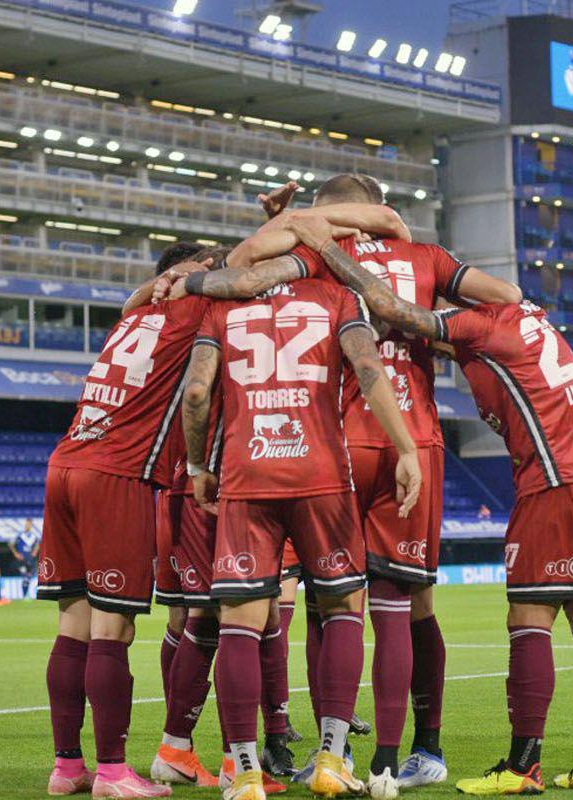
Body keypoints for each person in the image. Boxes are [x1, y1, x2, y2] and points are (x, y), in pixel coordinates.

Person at [173, 175, 523, 791]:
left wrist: (210, 266)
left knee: (280, 605)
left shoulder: (298, 257)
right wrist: (441, 333)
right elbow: (505, 297)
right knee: (394, 605)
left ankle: (254, 756)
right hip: (390, 436)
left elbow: (239, 273)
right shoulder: (416, 257)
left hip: (301, 447)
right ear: (362, 211)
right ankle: (401, 755)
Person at [283, 214, 573, 794]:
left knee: (528, 619)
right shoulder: (526, 321)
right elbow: (435, 330)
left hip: (556, 478)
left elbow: (396, 313)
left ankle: (523, 766)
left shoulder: (484, 326)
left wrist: (322, 246)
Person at [180, 245, 423, 800]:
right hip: (322, 478)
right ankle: (332, 761)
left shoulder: (223, 308)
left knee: (239, 624)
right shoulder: (340, 297)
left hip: (247, 477)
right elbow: (366, 367)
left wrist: (199, 465)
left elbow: (196, 392)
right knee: (341, 610)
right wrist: (404, 449)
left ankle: (243, 772)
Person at [35, 242, 234, 800]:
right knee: (112, 629)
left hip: (66, 461)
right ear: (193, 276)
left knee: (72, 624)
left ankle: (67, 767)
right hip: (115, 475)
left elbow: (134, 297)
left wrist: (165, 280)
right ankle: (114, 772)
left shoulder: (132, 318)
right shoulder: (196, 310)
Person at [12, 519, 41, 596]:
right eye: (27, 524)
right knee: (25, 576)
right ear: (25, 524)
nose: (28, 525)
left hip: (30, 560)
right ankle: (24, 595)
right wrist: (16, 553)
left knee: (28, 577)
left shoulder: (33, 536)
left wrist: (35, 551)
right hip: (22, 560)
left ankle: (24, 595)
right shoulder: (21, 535)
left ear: (31, 525)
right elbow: (11, 544)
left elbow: (38, 544)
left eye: (29, 524)